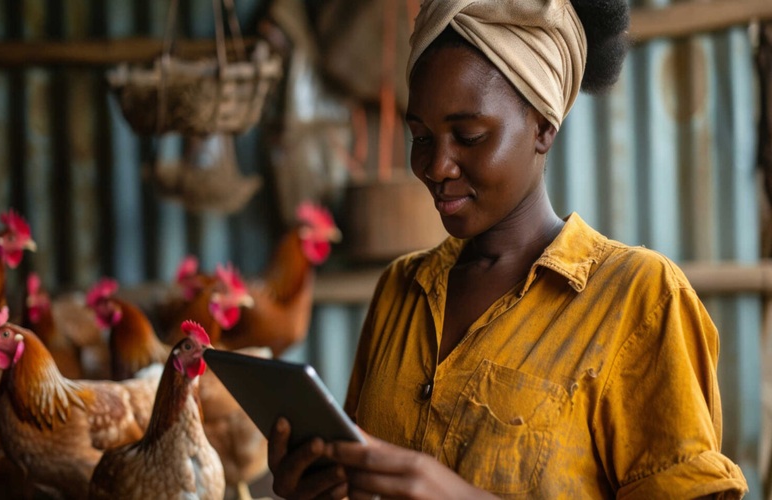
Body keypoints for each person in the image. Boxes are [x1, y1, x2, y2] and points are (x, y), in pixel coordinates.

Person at [267, 0, 750, 497]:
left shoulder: (639, 300)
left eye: (469, 136)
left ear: (543, 126)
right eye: (421, 137)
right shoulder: (401, 289)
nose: (437, 167)